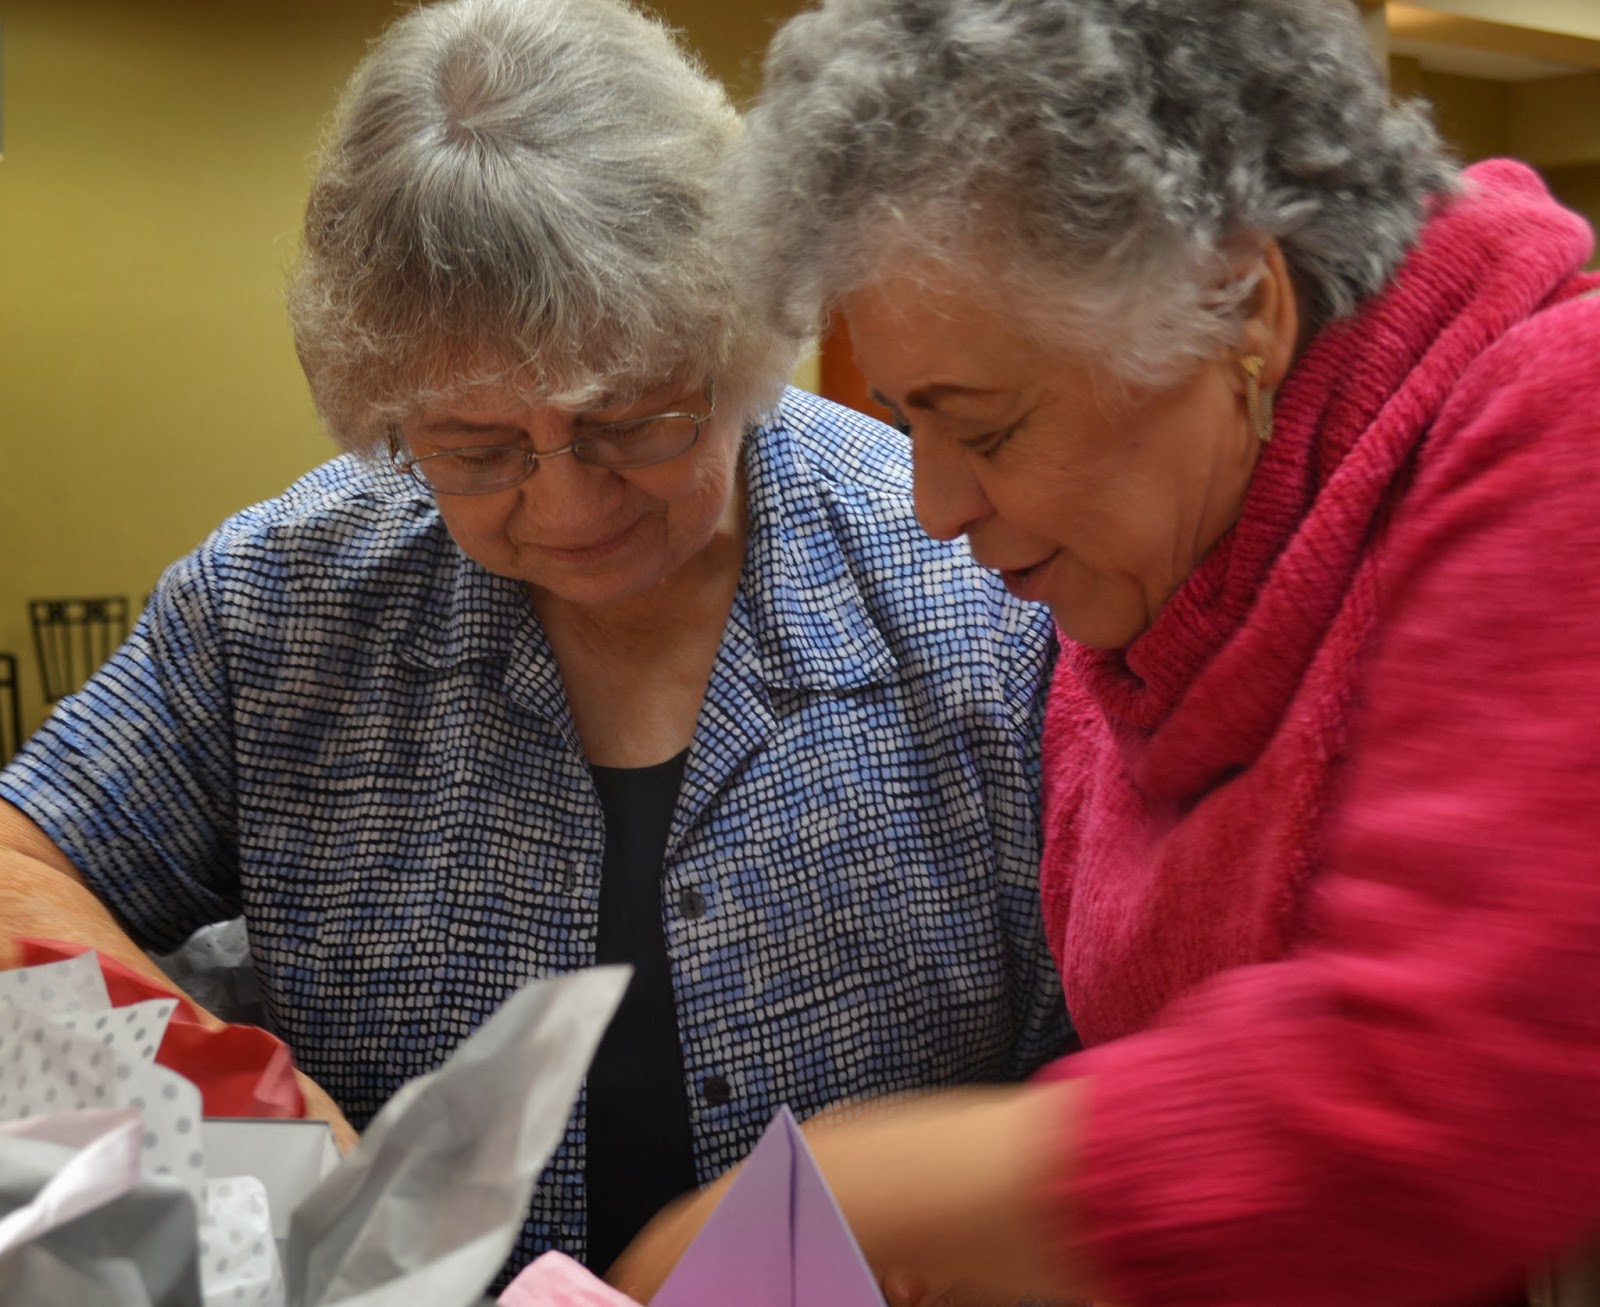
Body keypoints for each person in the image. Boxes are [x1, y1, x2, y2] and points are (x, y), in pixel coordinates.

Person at [0, 0, 1068, 1281]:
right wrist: (253, 1135)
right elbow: (19, 866)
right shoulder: (276, 607)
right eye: (476, 449)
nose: (566, 507)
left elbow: (1126, 1071)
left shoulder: (977, 589)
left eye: (633, 422)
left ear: (738, 344)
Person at [609, 1, 1600, 1304]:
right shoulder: (1135, 571)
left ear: (1240, 307)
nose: (933, 505)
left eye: (988, 427)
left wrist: (872, 1188)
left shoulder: (1560, 421)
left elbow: (1445, 1087)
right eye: (905, 419)